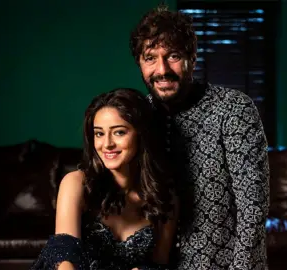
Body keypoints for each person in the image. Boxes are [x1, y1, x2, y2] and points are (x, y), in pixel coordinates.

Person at [129, 4, 270, 270]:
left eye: (172, 56)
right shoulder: (139, 117)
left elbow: (252, 209)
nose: (162, 69)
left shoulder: (233, 109)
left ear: (191, 58)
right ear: (140, 63)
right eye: (150, 58)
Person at [30, 88, 178, 270]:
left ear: (142, 134)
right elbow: (64, 254)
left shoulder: (165, 195)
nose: (107, 144)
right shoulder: (75, 183)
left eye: (119, 132)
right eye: (99, 133)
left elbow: (160, 263)